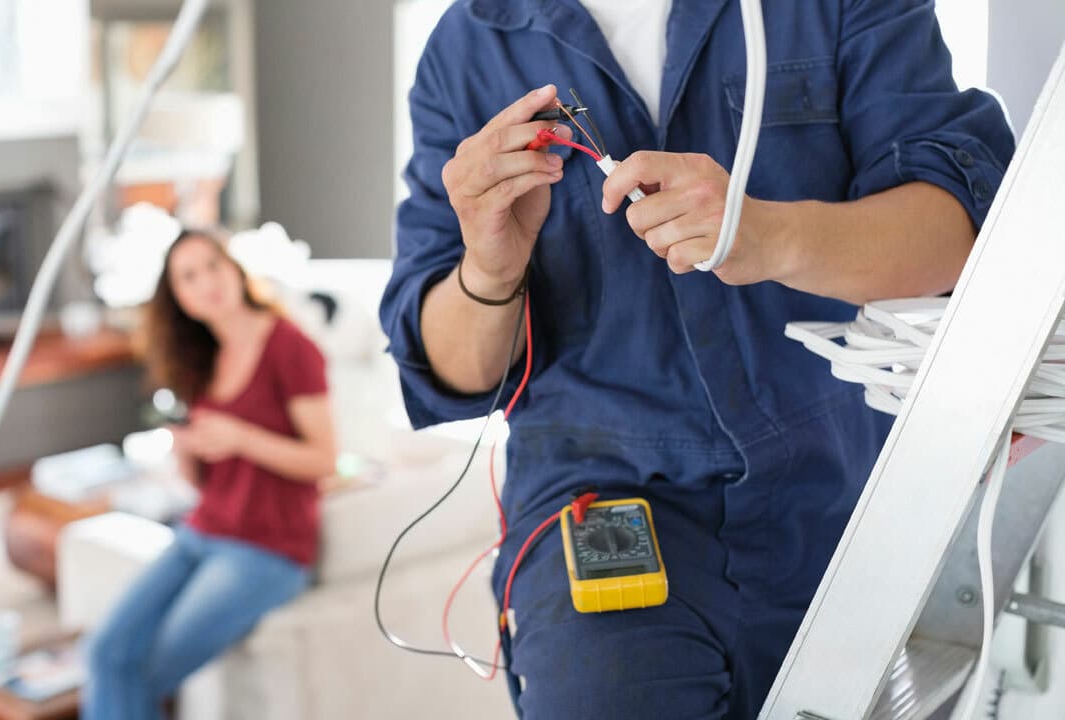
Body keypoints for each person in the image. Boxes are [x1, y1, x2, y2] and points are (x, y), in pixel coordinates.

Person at [380, 1, 1015, 718]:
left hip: (839, 500)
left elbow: (966, 233)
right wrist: (488, 271)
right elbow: (453, 368)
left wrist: (767, 234)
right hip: (596, 493)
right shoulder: (469, 44)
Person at [83, 229, 335, 719]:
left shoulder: (290, 347)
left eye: (212, 266)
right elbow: (201, 485)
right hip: (202, 532)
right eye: (188, 277)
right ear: (179, 298)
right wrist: (187, 449)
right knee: (105, 653)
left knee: (142, 671)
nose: (206, 283)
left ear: (235, 270)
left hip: (268, 550)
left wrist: (241, 437)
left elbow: (324, 459)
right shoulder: (198, 359)